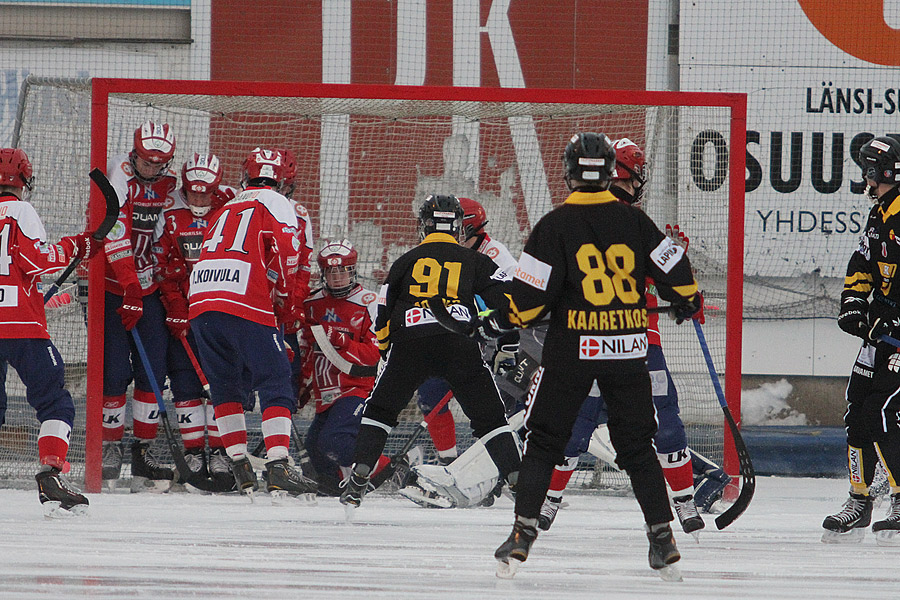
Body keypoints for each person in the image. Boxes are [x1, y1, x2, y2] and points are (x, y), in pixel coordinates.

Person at [488, 132, 702, 579]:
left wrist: (502, 313)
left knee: (544, 439)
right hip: (628, 348)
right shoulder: (636, 222)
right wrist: (686, 298)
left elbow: (526, 305)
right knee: (637, 446)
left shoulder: (553, 225)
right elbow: (678, 275)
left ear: (568, 174)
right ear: (610, 173)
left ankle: (522, 534)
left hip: (571, 352)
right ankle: (662, 539)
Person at [535, 138, 727, 535]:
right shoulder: (633, 222)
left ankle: (546, 503)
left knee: (574, 423)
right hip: (633, 341)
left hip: (585, 340)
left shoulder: (565, 219)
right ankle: (680, 505)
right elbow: (668, 270)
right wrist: (684, 292)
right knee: (657, 425)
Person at [338, 194, 521, 512]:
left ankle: (359, 475)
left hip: (410, 343)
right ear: (458, 229)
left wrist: (386, 353)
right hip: (459, 342)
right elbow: (509, 301)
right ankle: (521, 481)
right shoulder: (473, 259)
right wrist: (507, 345)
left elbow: (383, 313)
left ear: (423, 226)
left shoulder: (405, 261)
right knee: (491, 419)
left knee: (380, 412)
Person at [188, 147, 317, 503]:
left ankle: (239, 463)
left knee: (225, 385)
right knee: (276, 378)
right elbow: (288, 255)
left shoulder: (225, 207)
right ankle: (278, 463)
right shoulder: (277, 203)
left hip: (201, 300)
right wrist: (285, 303)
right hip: (244, 297)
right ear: (285, 182)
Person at [0, 148, 99, 516]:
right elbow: (37, 260)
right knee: (53, 399)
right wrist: (77, 245)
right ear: (25, 181)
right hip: (22, 326)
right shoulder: (22, 210)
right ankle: (51, 472)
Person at [827, 135, 900, 543]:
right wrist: (854, 302)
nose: (865, 179)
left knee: (885, 415)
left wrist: (891, 318)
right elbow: (863, 261)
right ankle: (859, 501)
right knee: (856, 411)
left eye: (869, 171)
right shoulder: (881, 212)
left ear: (883, 172)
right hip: (882, 335)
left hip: (896, 336)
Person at [101, 121, 179, 492]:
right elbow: (113, 231)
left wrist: (161, 281)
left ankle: (143, 451)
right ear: (135, 154)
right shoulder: (119, 173)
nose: (151, 169)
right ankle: (110, 447)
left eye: (158, 164)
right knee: (114, 370)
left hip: (148, 288)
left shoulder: (170, 183)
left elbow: (169, 231)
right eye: (146, 162)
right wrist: (129, 285)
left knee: (154, 370)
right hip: (112, 285)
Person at [414, 197, 520, 466]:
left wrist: (498, 343)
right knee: (430, 392)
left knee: (498, 406)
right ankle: (448, 463)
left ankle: (498, 469)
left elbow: (513, 306)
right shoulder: (443, 252)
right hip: (461, 334)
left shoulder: (496, 256)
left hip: (505, 338)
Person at [154, 152, 237, 490]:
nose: (199, 200)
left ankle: (220, 452)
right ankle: (193, 453)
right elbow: (162, 262)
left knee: (221, 380)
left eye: (206, 194)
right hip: (184, 311)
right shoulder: (169, 213)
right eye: (193, 193)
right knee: (187, 382)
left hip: (220, 310)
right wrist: (174, 304)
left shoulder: (232, 209)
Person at [297, 239, 382, 495]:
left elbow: (377, 356)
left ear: (353, 270)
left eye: (343, 270)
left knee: (334, 440)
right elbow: (304, 350)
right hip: (326, 392)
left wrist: (342, 339)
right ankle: (335, 488)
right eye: (331, 272)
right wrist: (300, 385)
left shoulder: (370, 302)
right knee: (314, 449)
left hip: (359, 386)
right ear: (323, 273)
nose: (337, 277)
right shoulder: (310, 304)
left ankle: (389, 468)